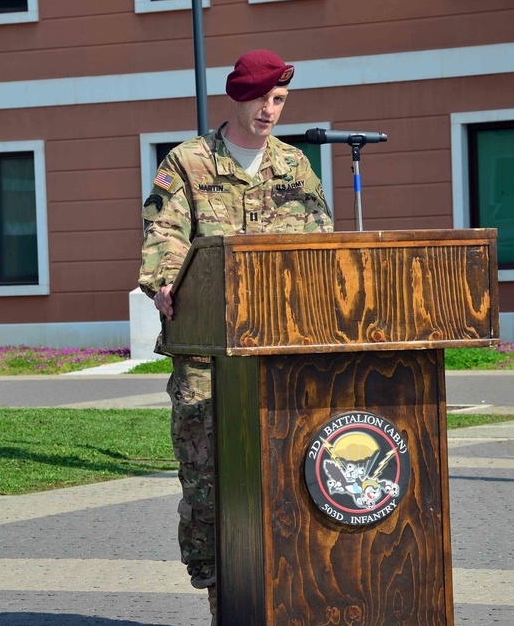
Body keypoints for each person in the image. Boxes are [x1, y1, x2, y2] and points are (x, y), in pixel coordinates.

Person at [138, 50, 334, 623]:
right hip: (207, 355)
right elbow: (164, 232)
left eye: (279, 101)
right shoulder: (189, 161)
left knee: (288, 475)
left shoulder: (296, 165)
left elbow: (322, 246)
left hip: (279, 350)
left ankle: (288, 597)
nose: (270, 112)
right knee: (209, 481)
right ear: (237, 99)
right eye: (262, 101)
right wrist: (163, 280)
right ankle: (222, 597)